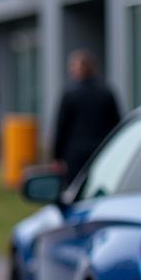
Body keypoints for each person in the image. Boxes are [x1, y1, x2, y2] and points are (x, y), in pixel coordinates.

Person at [52, 49, 121, 184]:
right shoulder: (106, 92)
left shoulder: (70, 94)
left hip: (75, 153)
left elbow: (61, 127)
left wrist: (57, 156)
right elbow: (116, 123)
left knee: (75, 188)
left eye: (73, 66)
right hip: (102, 150)